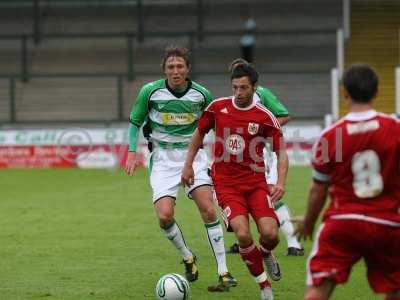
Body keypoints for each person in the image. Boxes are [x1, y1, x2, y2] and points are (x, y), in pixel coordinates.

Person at [125, 45, 237, 289]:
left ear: (188, 69)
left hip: (193, 158)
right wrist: (132, 151)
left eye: (179, 67)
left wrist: (225, 153)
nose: (175, 71)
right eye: (170, 67)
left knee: (208, 209)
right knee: (164, 216)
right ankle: (188, 256)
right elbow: (134, 123)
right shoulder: (150, 92)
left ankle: (223, 271)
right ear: (164, 70)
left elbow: (217, 126)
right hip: (163, 161)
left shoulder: (202, 94)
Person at [182, 63, 289, 300]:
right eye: (235, 88)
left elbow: (281, 152)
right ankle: (265, 287)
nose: (238, 93)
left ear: (254, 88)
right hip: (226, 185)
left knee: (271, 235)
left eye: (243, 88)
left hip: (256, 183)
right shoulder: (217, 108)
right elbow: (199, 133)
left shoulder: (265, 116)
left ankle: (266, 252)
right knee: (242, 234)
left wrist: (280, 182)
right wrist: (188, 164)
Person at [294, 64, 400, 300]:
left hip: (343, 223)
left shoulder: (330, 135)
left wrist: (309, 222)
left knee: (318, 289)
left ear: (344, 92)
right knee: (394, 289)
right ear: (376, 92)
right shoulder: (395, 128)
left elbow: (318, 188)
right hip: (386, 223)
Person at [226, 58, 304, 257]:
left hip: (261, 153)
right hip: (241, 157)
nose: (238, 89)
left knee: (269, 194)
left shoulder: (262, 94)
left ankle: (295, 243)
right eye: (235, 83)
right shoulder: (234, 99)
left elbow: (284, 115)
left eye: (243, 83)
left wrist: (261, 130)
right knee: (244, 198)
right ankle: (244, 240)